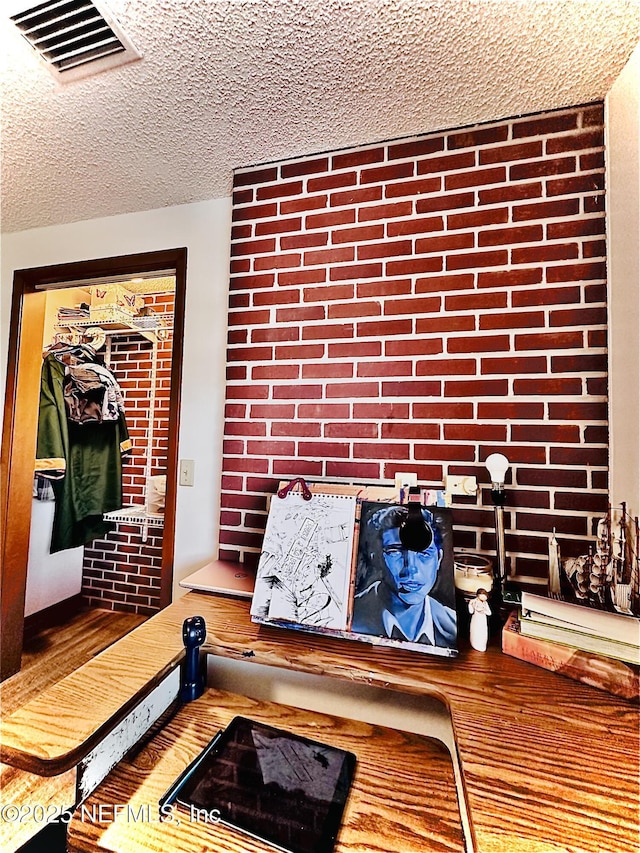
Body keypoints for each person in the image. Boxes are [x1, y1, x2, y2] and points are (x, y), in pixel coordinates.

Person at [352, 504, 456, 647]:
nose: (411, 569)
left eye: (423, 553)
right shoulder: (351, 618)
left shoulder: (451, 627)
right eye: (395, 552)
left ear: (438, 559)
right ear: (376, 558)